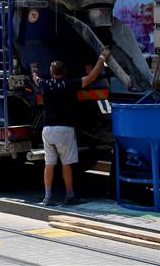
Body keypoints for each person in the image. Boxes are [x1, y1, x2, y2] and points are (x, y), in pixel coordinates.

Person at [32, 48, 111, 206]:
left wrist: (33, 69)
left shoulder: (45, 84)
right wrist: (102, 57)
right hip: (64, 130)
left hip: (47, 130)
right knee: (66, 164)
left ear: (51, 72)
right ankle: (69, 195)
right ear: (65, 71)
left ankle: (47, 197)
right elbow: (92, 77)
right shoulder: (70, 84)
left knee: (49, 164)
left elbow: (36, 78)